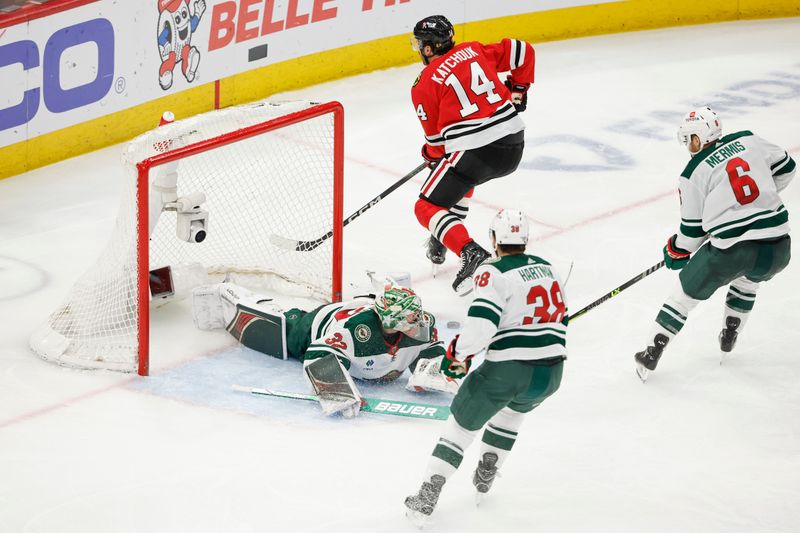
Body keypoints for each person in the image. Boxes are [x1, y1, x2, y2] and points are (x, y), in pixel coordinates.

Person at [404, 209, 568, 525]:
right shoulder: (549, 269)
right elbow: (558, 318)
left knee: (460, 427)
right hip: (550, 374)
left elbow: (480, 328)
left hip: (508, 371)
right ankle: (487, 469)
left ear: (493, 239)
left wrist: (456, 355)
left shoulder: (492, 272)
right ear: (525, 239)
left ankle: (427, 495)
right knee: (511, 413)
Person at [634, 107, 795, 382]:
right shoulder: (748, 139)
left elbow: (692, 235)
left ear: (701, 136)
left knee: (683, 296)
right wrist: (760, 202)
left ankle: (652, 351)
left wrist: (675, 250)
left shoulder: (693, 172)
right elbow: (787, 167)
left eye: (691, 138)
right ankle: (729, 334)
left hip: (732, 252)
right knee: (748, 280)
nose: (689, 146)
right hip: (779, 247)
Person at [192, 281, 455, 416]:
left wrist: (431, 375)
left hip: (363, 306)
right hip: (316, 325)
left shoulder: (421, 325)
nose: (419, 319)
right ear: (391, 319)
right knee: (278, 331)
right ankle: (224, 295)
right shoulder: (355, 331)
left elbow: (431, 347)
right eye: (411, 316)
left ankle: (365, 293)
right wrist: (335, 391)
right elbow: (317, 353)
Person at [409, 15, 535, 294]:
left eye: (419, 44)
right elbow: (524, 51)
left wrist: (430, 157)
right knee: (461, 176)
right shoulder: (476, 50)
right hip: (514, 145)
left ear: (428, 48)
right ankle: (445, 234)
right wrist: (518, 90)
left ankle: (469, 251)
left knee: (426, 206)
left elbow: (437, 146)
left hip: (476, 152)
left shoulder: (423, 84)